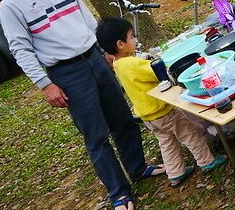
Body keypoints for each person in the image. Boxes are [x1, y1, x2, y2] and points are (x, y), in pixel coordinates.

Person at [0, 0, 164, 210]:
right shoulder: (12, 6)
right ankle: (119, 191)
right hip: (67, 72)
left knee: (122, 118)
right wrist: (45, 84)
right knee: (96, 135)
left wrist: (104, 50)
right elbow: (20, 48)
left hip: (94, 59)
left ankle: (138, 167)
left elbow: (86, 18)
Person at [96, 18, 228, 188]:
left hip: (148, 116)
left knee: (167, 143)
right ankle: (206, 161)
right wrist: (158, 62)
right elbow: (156, 72)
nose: (135, 40)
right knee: (190, 134)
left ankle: (175, 173)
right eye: (131, 37)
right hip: (164, 111)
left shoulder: (118, 64)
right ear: (120, 44)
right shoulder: (133, 63)